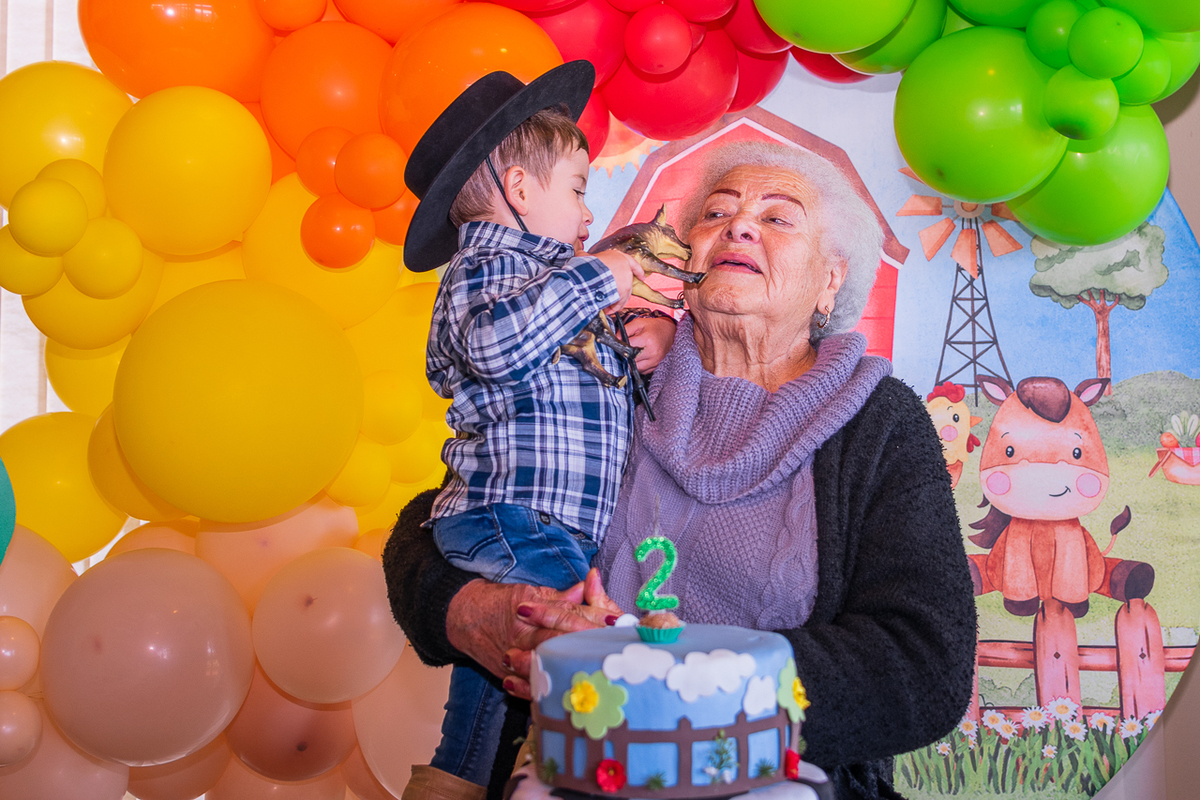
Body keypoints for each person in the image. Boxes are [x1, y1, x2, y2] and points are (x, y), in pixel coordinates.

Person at [385, 140, 978, 800]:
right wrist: (468, 606)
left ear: (830, 280)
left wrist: (671, 684)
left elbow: (924, 666)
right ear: (686, 260)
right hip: (566, 778)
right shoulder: (610, 366)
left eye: (778, 219)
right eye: (717, 213)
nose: (740, 226)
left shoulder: (878, 420)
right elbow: (441, 521)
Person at [399, 61, 679, 798]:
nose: (590, 216)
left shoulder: (553, 288)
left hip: (544, 524)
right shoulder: (485, 267)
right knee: (589, 634)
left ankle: (456, 782)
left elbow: (588, 387)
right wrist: (602, 275)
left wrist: (637, 350)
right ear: (520, 192)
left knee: (490, 695)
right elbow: (495, 347)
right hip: (511, 519)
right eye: (579, 191)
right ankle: (607, 771)